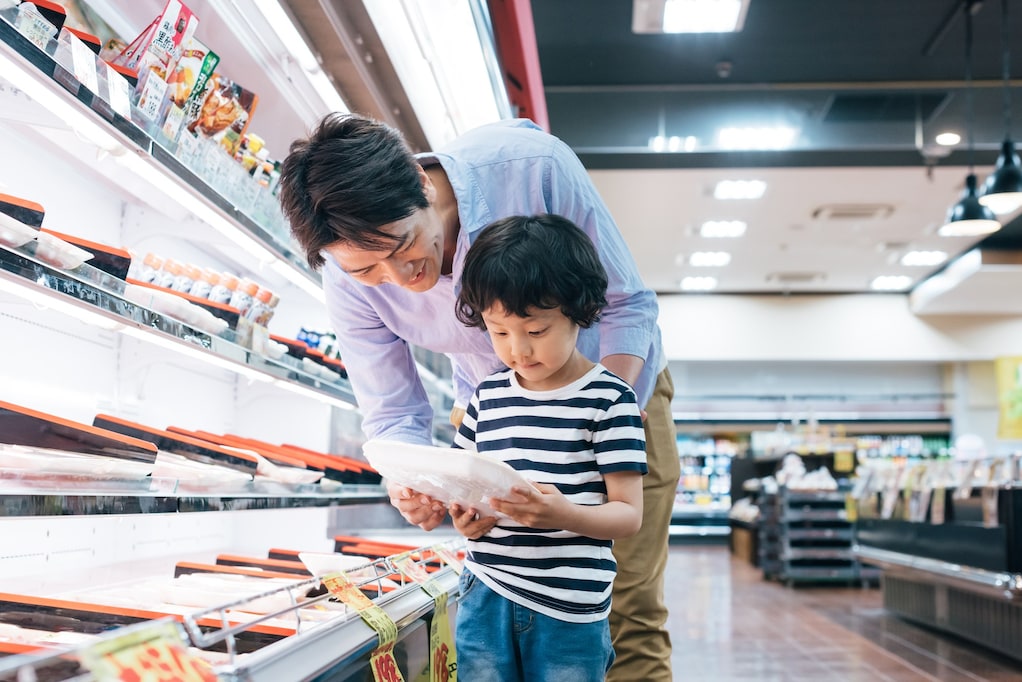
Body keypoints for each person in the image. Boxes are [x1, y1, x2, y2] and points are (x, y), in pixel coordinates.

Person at [278, 113, 680, 681]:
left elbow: (627, 305)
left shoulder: (529, 168)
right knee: (506, 607)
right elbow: (393, 409)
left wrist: (590, 413)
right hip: (494, 418)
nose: (399, 275)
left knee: (622, 607)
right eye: (367, 268)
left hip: (619, 388)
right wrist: (413, 483)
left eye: (402, 244)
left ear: (419, 183)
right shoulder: (346, 277)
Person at [448, 214, 646, 680]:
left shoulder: (609, 399)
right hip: (485, 592)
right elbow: (463, 486)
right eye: (499, 332)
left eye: (535, 331)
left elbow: (629, 515)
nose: (518, 349)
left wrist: (566, 516)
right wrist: (465, 518)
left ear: (581, 312)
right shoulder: (486, 397)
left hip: (570, 611)